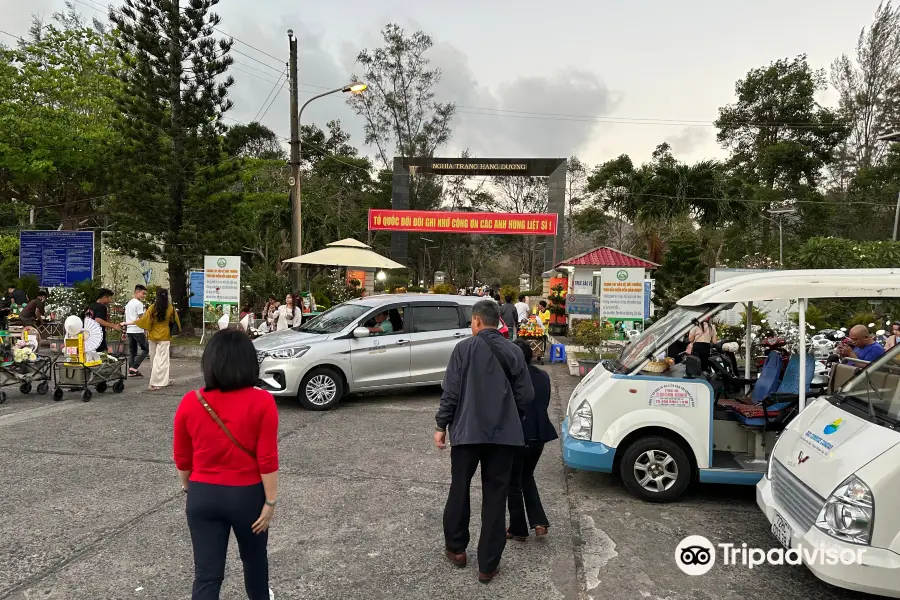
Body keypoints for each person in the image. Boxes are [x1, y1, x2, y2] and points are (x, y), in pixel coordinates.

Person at [173, 329, 279, 600]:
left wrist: (190, 487)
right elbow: (267, 459)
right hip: (247, 496)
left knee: (207, 575)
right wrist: (270, 502)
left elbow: (182, 458)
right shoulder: (263, 401)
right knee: (255, 562)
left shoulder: (190, 401)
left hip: (202, 494)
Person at [435, 299, 534, 584]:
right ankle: (488, 565)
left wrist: (441, 424)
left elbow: (451, 393)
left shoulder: (463, 349)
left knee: (459, 488)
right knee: (495, 497)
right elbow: (526, 397)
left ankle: (456, 549)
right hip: (504, 437)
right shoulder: (513, 351)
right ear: (499, 322)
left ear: (477, 321)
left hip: (467, 433)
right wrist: (511, 416)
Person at [507, 340, 558, 541]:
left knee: (513, 481)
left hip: (519, 434)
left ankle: (517, 529)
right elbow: (543, 403)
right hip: (540, 432)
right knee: (526, 475)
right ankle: (538, 522)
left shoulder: (511, 378)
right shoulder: (543, 375)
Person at [134, 287, 181, 391]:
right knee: (162, 361)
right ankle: (159, 382)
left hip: (152, 336)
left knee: (154, 360)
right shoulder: (170, 308)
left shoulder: (152, 307)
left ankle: (155, 381)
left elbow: (145, 321)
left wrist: (133, 322)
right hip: (165, 336)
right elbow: (176, 321)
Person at [124, 285, 149, 377]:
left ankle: (131, 371)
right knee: (146, 349)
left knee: (132, 351)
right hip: (137, 330)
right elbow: (141, 319)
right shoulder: (139, 304)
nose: (144, 296)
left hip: (129, 330)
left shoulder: (128, 303)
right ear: (137, 292)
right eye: (143, 293)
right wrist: (146, 329)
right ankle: (134, 367)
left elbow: (126, 317)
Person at [85, 289, 121, 353]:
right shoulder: (101, 307)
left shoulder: (90, 306)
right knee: (103, 356)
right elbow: (98, 320)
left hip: (88, 337)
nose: (111, 300)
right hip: (98, 336)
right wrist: (113, 325)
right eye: (110, 298)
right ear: (104, 297)